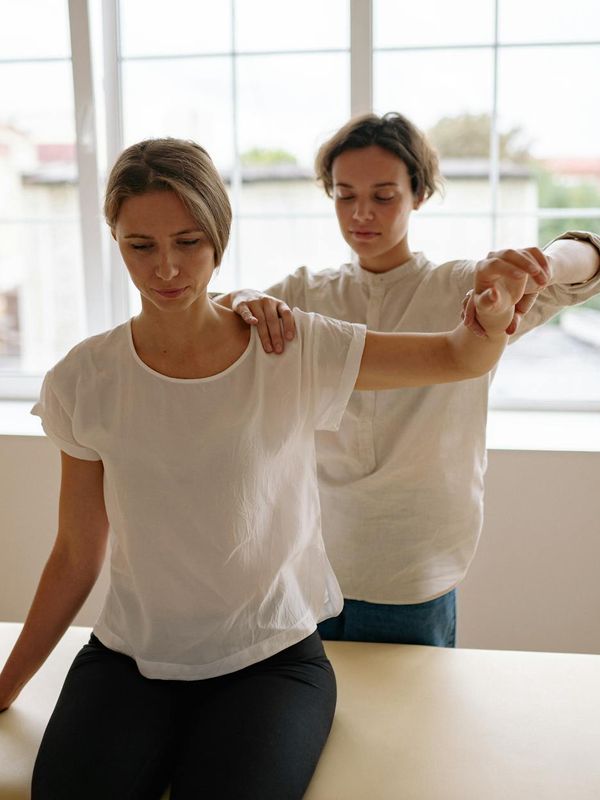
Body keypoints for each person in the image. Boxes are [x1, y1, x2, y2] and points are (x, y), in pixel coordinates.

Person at [0, 136, 536, 799]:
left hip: (272, 663)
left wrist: (489, 317)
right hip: (129, 660)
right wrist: (7, 683)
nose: (166, 267)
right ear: (116, 239)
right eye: (142, 246)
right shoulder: (84, 379)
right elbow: (78, 552)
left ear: (219, 237)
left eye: (188, 242)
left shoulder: (286, 347)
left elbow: (456, 358)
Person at [218, 112, 600, 649]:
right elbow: (216, 322)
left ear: (418, 194)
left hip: (417, 563)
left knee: (411, 725)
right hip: (313, 560)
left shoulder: (470, 289)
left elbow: (590, 263)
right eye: (345, 196)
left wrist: (541, 263)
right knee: (318, 719)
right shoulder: (305, 294)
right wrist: (238, 300)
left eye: (383, 195)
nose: (361, 213)